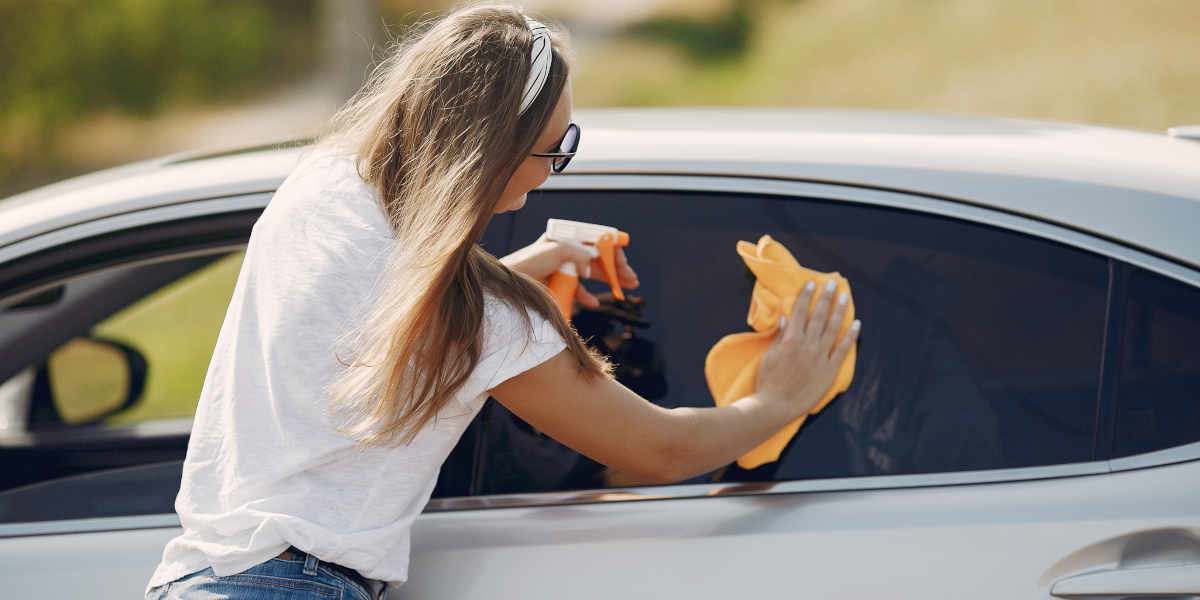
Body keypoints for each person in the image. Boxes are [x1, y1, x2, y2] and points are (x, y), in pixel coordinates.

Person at [144, 4, 860, 599]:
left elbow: (372, 316)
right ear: (485, 148)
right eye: (552, 148)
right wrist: (777, 400)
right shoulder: (486, 320)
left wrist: (513, 268)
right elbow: (663, 447)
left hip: (197, 578)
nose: (554, 172)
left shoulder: (323, 188)